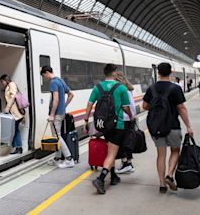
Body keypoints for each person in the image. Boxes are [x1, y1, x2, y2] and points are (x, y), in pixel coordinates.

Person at [83, 64, 134, 194]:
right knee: (112, 153)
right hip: (118, 125)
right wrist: (131, 116)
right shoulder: (121, 88)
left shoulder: (98, 87)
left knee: (110, 150)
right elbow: (126, 107)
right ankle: (101, 179)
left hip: (104, 125)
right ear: (115, 73)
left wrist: (86, 120)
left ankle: (113, 177)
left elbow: (89, 104)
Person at [143, 62, 194, 193]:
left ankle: (161, 184)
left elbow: (144, 106)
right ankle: (170, 175)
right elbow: (181, 108)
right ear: (171, 72)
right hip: (173, 126)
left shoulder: (152, 88)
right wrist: (188, 126)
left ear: (158, 72)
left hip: (156, 127)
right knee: (175, 151)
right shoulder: (175, 88)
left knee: (161, 155)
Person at [40, 66, 75, 168]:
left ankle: (69, 159)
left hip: (56, 114)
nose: (45, 78)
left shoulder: (53, 83)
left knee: (57, 136)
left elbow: (55, 100)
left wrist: (51, 114)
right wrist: (64, 106)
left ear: (47, 73)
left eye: (44, 76)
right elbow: (71, 94)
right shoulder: (60, 80)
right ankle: (57, 158)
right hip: (61, 113)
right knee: (56, 136)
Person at [113, 71, 137, 174]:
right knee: (128, 141)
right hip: (129, 118)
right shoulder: (128, 89)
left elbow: (126, 106)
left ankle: (125, 163)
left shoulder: (122, 90)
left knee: (120, 142)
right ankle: (129, 164)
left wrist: (130, 115)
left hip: (124, 118)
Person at [0, 74, 24, 154]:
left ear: (5, 80)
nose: (2, 83)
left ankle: (18, 147)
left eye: (2, 81)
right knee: (15, 130)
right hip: (12, 112)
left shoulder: (11, 84)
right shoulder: (8, 86)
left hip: (16, 112)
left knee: (15, 130)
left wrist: (7, 108)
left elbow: (13, 97)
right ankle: (17, 147)